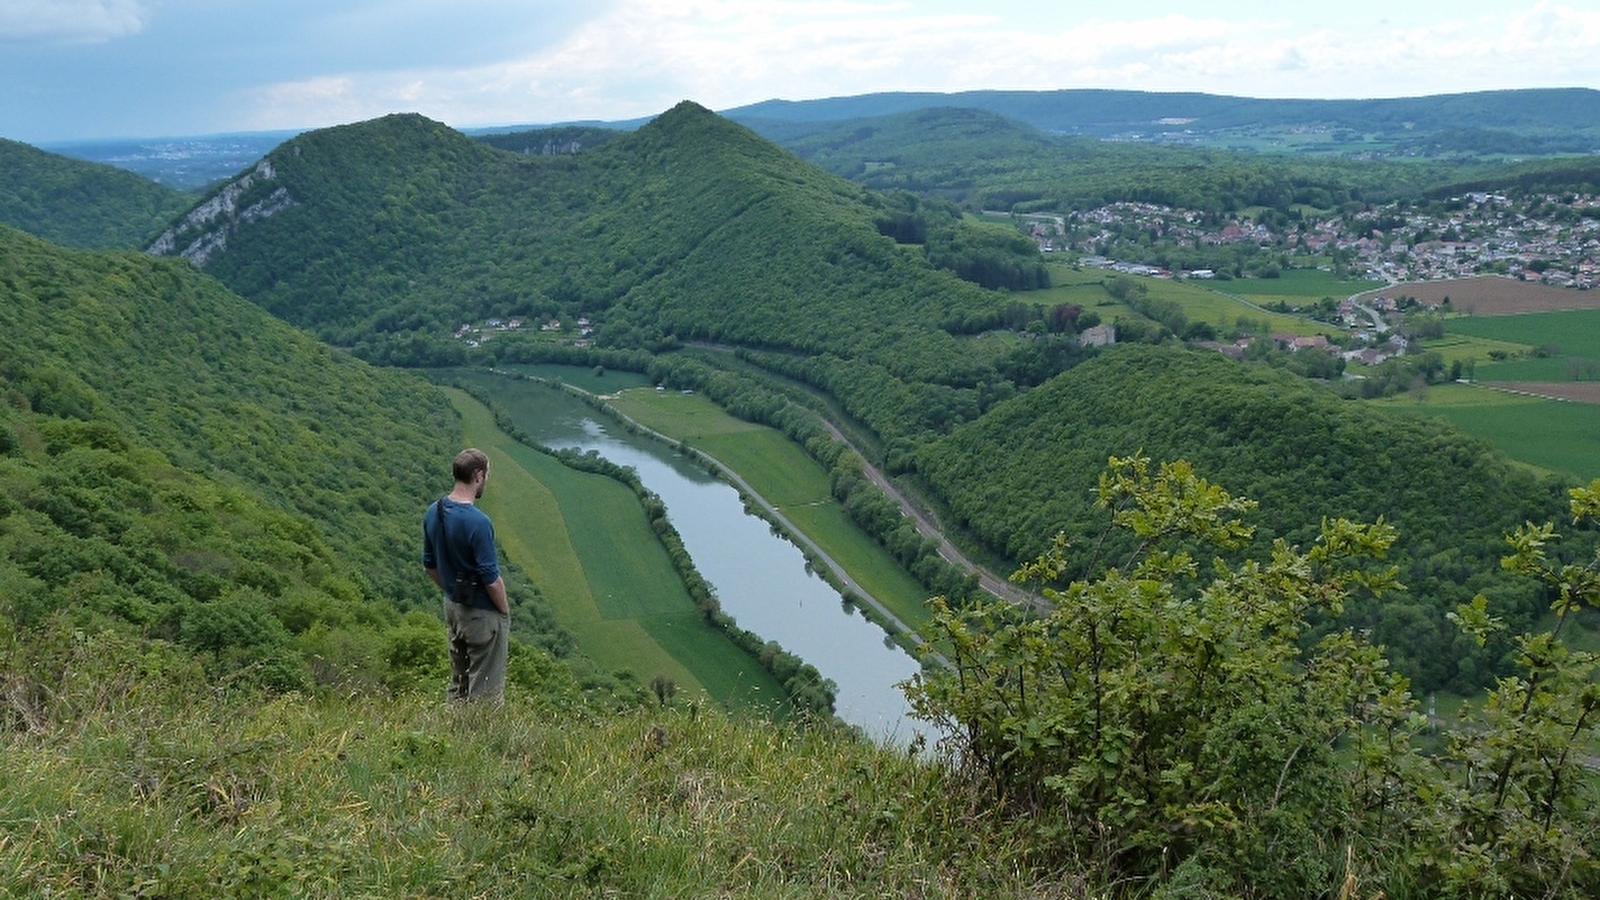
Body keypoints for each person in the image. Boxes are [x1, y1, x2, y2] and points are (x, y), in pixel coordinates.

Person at [422, 448, 510, 702]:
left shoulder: (434, 511)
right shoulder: (479, 522)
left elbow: (429, 565)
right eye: (487, 476)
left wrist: (451, 591)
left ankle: (449, 736)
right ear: (478, 476)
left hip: (453, 608)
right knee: (486, 693)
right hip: (482, 613)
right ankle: (481, 739)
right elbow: (490, 578)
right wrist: (503, 612)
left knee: (458, 685)